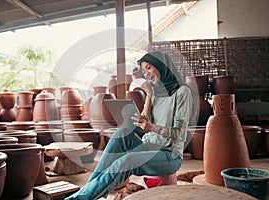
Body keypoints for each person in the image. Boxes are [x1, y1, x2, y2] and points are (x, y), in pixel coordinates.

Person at [65, 51, 196, 200]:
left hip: (169, 154)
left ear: (161, 65)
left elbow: (180, 134)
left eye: (149, 67)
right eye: (143, 71)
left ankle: (81, 198)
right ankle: (88, 192)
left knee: (127, 160)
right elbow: (143, 123)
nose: (146, 73)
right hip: (148, 145)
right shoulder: (156, 93)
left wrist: (152, 128)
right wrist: (149, 96)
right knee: (121, 133)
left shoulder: (182, 92)